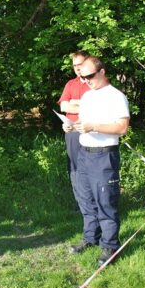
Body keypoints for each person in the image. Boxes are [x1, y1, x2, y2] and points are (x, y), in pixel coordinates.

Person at [65, 56, 129, 267]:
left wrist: (94, 127)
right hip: (84, 153)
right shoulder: (89, 97)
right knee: (86, 199)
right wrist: (71, 126)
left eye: (90, 76)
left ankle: (110, 246)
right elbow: (83, 122)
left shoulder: (116, 97)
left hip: (104, 156)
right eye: (83, 77)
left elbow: (121, 128)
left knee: (105, 202)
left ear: (102, 72)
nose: (86, 80)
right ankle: (90, 237)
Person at [57, 50, 90, 208]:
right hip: (72, 132)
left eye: (80, 64)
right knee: (74, 167)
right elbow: (64, 106)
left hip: (91, 131)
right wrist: (81, 104)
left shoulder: (95, 83)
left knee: (91, 166)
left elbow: (97, 107)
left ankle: (93, 202)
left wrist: (75, 103)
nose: (77, 68)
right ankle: (81, 204)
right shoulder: (71, 84)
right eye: (75, 65)